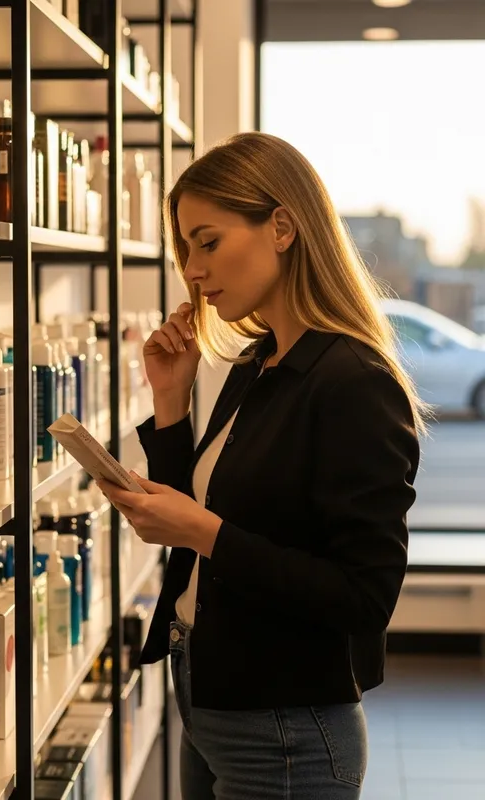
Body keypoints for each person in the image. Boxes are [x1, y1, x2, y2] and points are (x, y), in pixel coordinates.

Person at [97, 132, 423, 800]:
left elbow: (364, 598)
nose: (191, 268)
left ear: (281, 227)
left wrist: (204, 534)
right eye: (186, 247)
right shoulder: (261, 363)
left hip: (285, 728)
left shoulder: (352, 380)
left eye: (208, 242)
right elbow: (208, 504)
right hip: (209, 693)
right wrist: (170, 402)